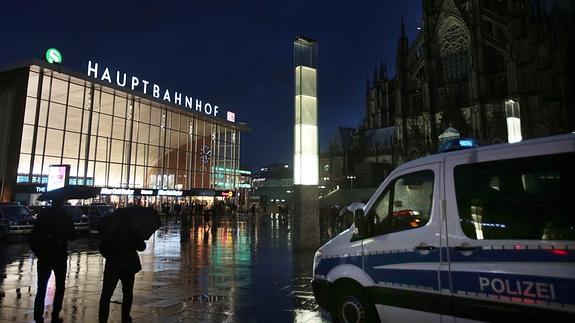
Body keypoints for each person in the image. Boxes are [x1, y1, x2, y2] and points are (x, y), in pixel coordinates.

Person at [28, 198, 76, 323]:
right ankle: (55, 313)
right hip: (59, 255)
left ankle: (38, 315)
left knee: (41, 287)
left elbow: (32, 236)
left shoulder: (44, 216)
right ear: (61, 203)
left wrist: (38, 251)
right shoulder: (65, 217)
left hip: (44, 255)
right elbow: (73, 235)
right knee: (60, 286)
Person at [98, 215, 146, 322]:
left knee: (106, 294)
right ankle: (125, 317)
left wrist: (109, 256)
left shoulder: (111, 231)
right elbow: (142, 247)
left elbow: (102, 247)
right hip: (128, 266)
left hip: (113, 265)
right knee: (127, 293)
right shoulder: (134, 231)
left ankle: (103, 318)